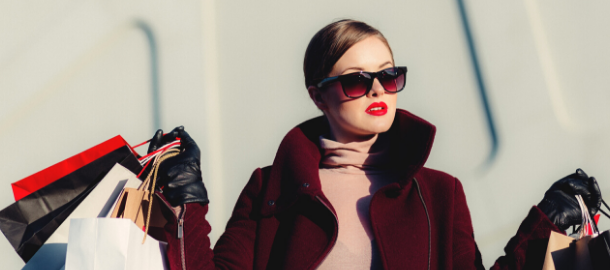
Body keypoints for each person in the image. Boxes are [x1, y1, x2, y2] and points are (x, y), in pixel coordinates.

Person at [147, 20, 602, 270]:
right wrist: (187, 202)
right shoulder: (273, 186)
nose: (379, 90)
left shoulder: (441, 193)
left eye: (389, 75)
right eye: (356, 82)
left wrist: (542, 224)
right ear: (317, 94)